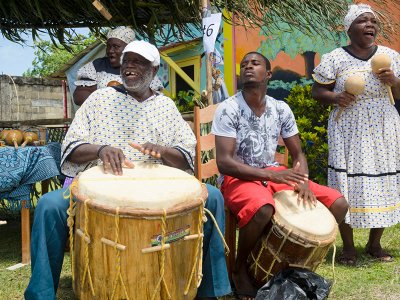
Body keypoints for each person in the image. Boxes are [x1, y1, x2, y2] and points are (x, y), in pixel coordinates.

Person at [24, 40, 231, 300]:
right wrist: (100, 150)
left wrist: (163, 151)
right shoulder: (99, 99)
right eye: (127, 61)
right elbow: (71, 146)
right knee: (48, 205)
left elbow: (185, 157)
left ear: (154, 71)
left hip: (156, 189)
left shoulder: (165, 107)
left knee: (212, 197)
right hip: (98, 186)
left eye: (138, 62)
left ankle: (209, 290)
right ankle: (40, 294)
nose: (129, 66)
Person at [211, 51, 349, 299]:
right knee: (263, 208)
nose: (248, 67)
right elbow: (224, 163)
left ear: (269, 74)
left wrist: (303, 180)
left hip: (273, 173)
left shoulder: (280, 108)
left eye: (255, 63)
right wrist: (271, 176)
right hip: (238, 177)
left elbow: (298, 154)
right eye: (244, 65)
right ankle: (240, 268)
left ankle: (298, 267)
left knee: (338, 203)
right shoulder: (228, 108)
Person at [312, 3, 400, 266]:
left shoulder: (390, 56)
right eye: (363, 21)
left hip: (384, 127)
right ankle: (348, 247)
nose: (370, 25)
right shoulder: (334, 58)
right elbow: (317, 92)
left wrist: (394, 82)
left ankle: (375, 243)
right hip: (348, 128)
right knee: (345, 184)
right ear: (349, 28)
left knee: (384, 182)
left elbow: (399, 95)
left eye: (373, 21)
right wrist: (336, 96)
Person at [73, 26, 163, 106]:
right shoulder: (96, 66)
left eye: (116, 46)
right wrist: (107, 102)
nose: (110, 50)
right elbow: (79, 97)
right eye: (108, 46)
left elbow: (155, 97)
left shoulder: (142, 68)